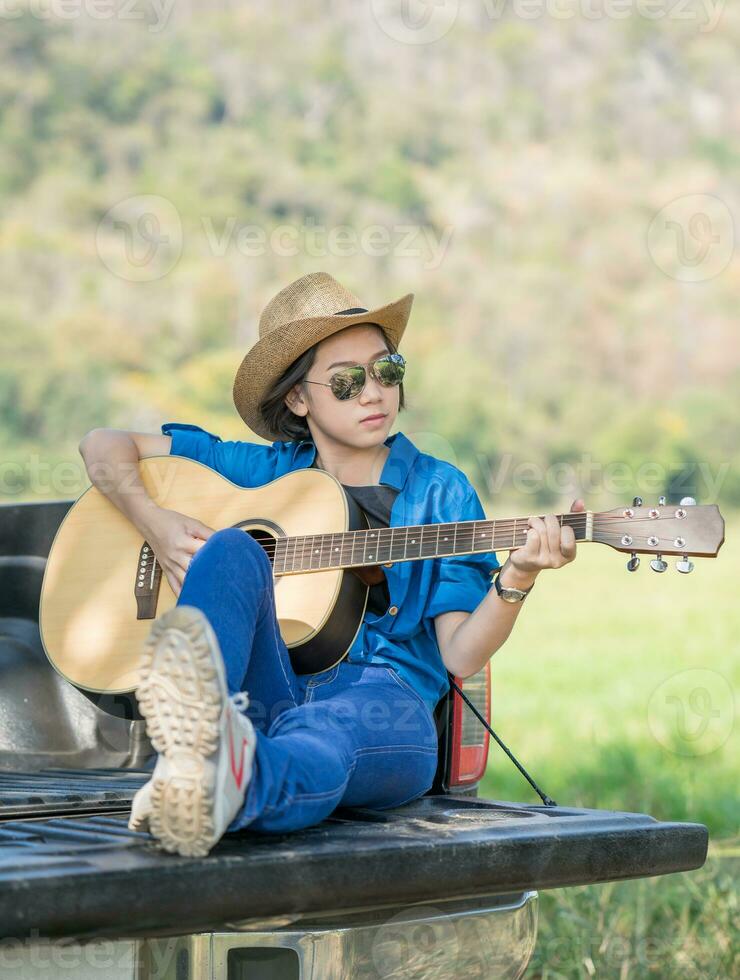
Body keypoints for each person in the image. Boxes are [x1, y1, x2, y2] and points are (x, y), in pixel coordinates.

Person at [81, 271, 583, 857]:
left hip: (385, 704)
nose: (373, 393)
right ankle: (200, 749)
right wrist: (156, 523)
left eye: (386, 370)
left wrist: (519, 577)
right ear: (299, 398)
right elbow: (103, 444)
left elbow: (460, 654)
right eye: (346, 381)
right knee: (231, 546)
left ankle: (218, 781)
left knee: (324, 733)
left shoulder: (440, 493)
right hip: (266, 688)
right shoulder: (265, 473)